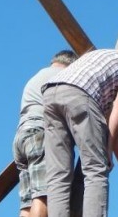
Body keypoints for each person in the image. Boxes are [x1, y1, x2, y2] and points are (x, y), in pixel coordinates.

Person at [42, 49, 118, 217]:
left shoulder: (103, 61)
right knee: (96, 169)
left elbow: (108, 123)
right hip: (80, 93)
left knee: (58, 174)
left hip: (51, 92)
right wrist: (107, 152)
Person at [13, 50, 78, 217]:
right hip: (42, 134)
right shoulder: (65, 76)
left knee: (27, 204)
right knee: (45, 195)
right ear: (72, 64)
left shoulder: (36, 77)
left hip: (22, 137)